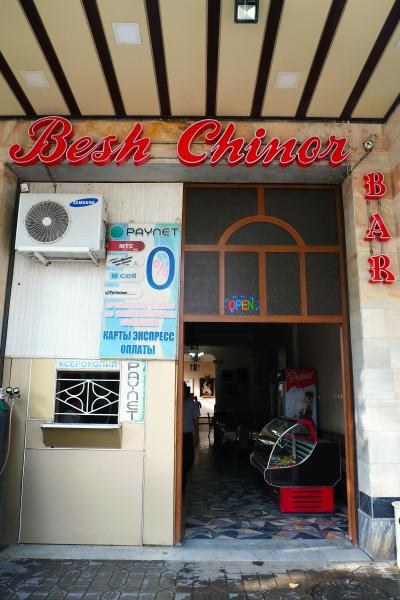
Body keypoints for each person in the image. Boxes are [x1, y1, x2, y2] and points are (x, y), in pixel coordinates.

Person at [182, 383, 199, 487]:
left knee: (190, 459)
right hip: (176, 437)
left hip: (187, 436)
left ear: (185, 391)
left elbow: (196, 420)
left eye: (183, 389)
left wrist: (197, 435)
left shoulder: (191, 403)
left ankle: (183, 475)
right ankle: (181, 481)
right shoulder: (173, 402)